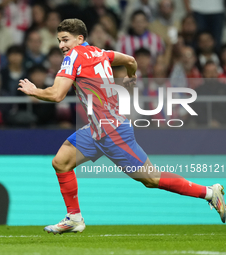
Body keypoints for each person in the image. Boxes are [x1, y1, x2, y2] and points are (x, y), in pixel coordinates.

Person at [18, 18, 226, 234]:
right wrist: (131, 76)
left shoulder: (74, 56)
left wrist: (35, 91)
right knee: (61, 162)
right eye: (59, 41)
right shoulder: (100, 53)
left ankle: (209, 193)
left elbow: (57, 94)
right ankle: (74, 218)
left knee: (151, 178)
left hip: (113, 132)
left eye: (65, 40)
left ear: (80, 39)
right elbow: (129, 59)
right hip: (97, 129)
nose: (61, 45)